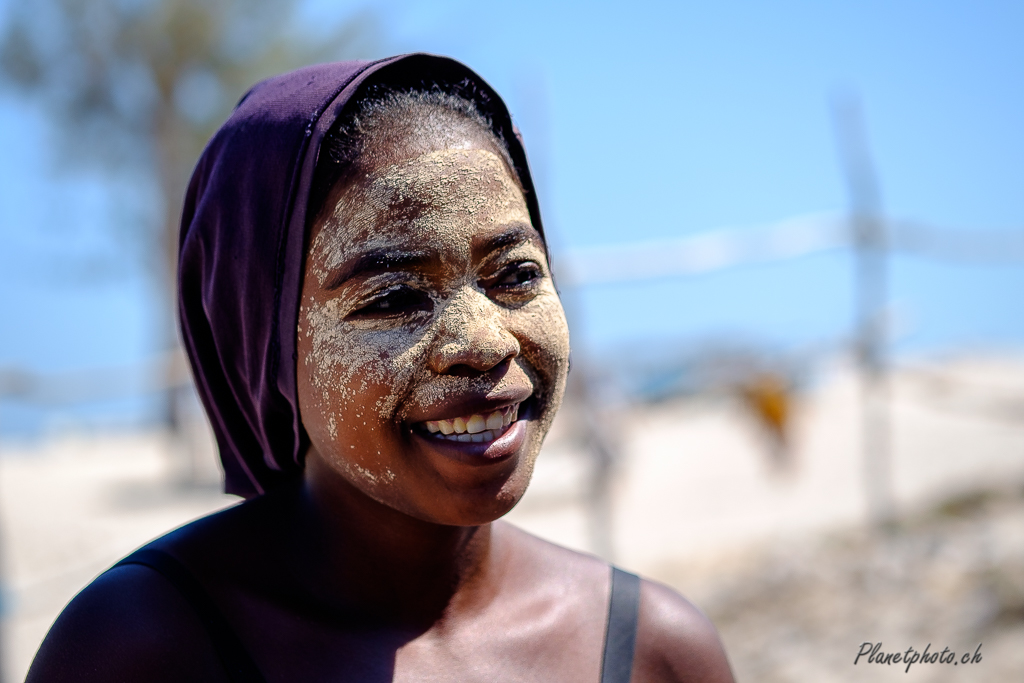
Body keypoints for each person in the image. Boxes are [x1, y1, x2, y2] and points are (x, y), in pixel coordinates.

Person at [26, 54, 734, 683]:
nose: (486, 342)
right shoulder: (144, 648)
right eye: (395, 296)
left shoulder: (657, 652)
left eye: (514, 274)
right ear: (265, 338)